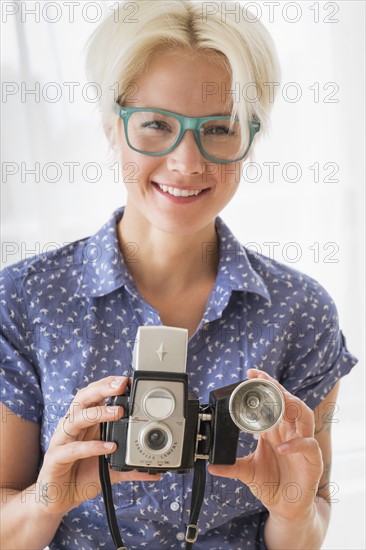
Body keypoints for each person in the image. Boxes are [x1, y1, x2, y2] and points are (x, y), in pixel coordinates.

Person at [0, 1, 358, 549]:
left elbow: (309, 524)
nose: (187, 162)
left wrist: (292, 511)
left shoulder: (301, 310)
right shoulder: (25, 300)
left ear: (251, 138)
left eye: (218, 128)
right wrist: (49, 498)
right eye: (156, 125)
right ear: (110, 128)